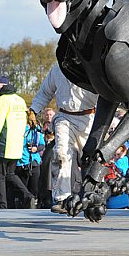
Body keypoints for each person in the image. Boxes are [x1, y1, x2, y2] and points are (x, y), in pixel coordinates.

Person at [29, 63, 97, 213]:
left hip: (90, 118)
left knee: (92, 160)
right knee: (61, 154)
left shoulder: (92, 67)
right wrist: (34, 109)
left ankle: (93, 196)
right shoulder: (57, 69)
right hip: (64, 117)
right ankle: (62, 198)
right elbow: (45, 92)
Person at [0, 74, 34, 209]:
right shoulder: (20, 100)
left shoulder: (1, 101)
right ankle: (28, 196)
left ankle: (1, 206)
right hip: (16, 145)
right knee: (10, 174)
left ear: (2, 86)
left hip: (2, 144)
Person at [15, 111, 45, 208]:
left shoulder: (36, 129)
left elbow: (42, 144)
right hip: (21, 163)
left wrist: (36, 148)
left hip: (34, 162)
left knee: (34, 190)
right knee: (23, 191)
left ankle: (32, 207)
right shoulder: (17, 129)